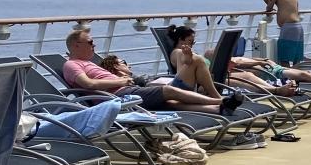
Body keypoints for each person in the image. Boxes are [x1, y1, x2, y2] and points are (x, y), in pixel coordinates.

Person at [60, 29, 236, 114]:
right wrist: (120, 81)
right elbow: (89, 84)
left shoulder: (88, 63)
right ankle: (219, 100)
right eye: (90, 42)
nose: (94, 45)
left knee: (170, 103)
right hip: (120, 96)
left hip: (126, 92)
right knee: (168, 91)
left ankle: (218, 109)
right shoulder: (72, 65)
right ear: (76, 45)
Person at [259, 0, 304, 66]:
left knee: (284, 59)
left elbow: (269, 8)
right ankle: (297, 75)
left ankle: (288, 76)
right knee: (296, 60)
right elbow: (278, 4)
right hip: (298, 27)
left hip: (289, 28)